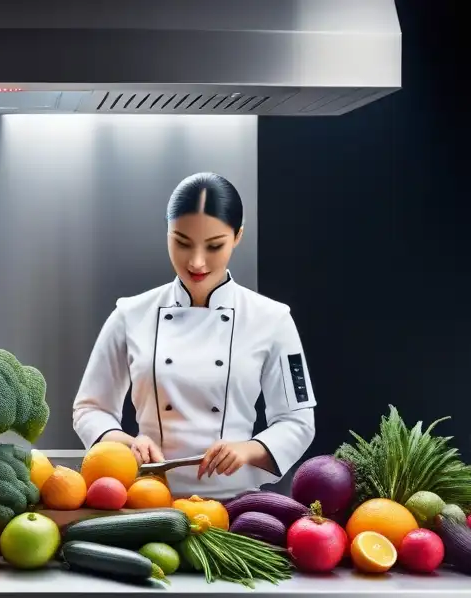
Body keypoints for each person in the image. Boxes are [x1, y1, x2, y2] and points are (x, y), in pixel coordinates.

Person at [72, 172, 317, 499]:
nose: (196, 262)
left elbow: (298, 421)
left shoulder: (272, 319)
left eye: (214, 245)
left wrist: (250, 449)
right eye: (182, 242)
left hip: (237, 503)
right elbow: (89, 408)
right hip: (147, 500)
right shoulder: (130, 314)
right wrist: (128, 443)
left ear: (238, 236)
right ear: (167, 231)